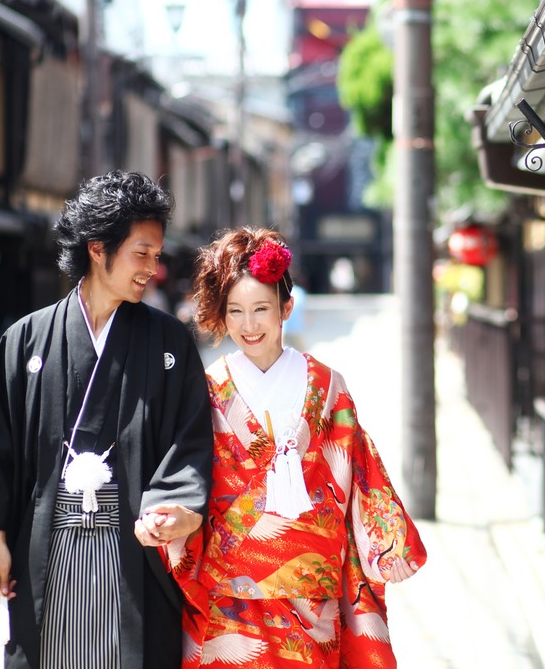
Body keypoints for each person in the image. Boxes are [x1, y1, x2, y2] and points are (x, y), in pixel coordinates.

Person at [0, 170, 214, 669]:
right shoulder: (26, 340)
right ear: (97, 248)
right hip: (49, 546)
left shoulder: (170, 342)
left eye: (157, 255)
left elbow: (189, 441)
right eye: (142, 253)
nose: (153, 268)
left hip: (135, 547)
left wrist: (177, 506)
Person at [165, 226, 426, 668]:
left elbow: (359, 469)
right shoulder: (207, 388)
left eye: (261, 309)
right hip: (229, 590)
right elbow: (185, 473)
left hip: (311, 594)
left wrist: (388, 544)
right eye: (236, 311)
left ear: (286, 307)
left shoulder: (327, 386)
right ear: (221, 315)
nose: (249, 325)